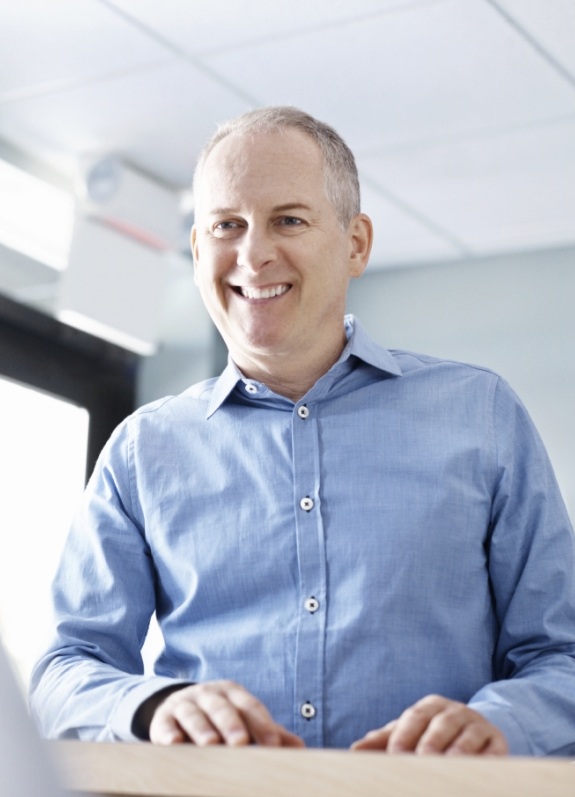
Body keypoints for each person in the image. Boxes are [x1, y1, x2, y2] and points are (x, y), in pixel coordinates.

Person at [31, 107, 575, 757]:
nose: (254, 253)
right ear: (200, 249)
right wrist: (153, 703)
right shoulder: (142, 450)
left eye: (287, 219)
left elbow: (560, 655)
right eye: (226, 225)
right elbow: (65, 670)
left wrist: (502, 723)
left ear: (355, 242)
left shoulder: (479, 414)